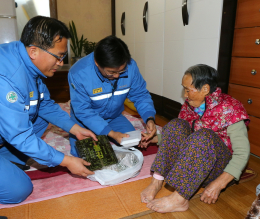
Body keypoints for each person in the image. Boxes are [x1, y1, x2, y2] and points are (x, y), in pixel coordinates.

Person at [0, 16, 97, 204]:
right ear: (33, 51)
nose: (60, 62)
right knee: (18, 190)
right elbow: (20, 135)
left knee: (39, 116)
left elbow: (44, 104)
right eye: (58, 56)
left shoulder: (27, 63)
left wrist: (74, 128)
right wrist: (65, 161)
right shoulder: (0, 78)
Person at [140, 64, 250, 213]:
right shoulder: (189, 106)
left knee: (204, 136)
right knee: (176, 124)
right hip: (195, 166)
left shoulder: (230, 108)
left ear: (204, 89)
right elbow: (178, 136)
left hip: (220, 169)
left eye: (187, 90)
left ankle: (180, 198)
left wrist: (218, 184)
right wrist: (154, 139)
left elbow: (242, 153)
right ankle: (157, 181)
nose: (185, 95)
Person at [68, 35, 157, 157]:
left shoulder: (131, 67)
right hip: (84, 121)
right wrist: (111, 133)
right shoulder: (78, 72)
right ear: (97, 63)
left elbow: (140, 94)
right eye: (111, 72)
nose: (116, 76)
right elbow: (83, 111)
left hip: (114, 117)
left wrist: (149, 118)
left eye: (121, 72)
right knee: (87, 156)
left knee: (132, 143)